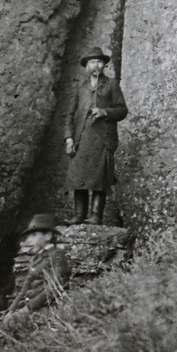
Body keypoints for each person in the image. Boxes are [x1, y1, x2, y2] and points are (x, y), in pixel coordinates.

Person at [65, 46, 128, 223]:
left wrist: (105, 112)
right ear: (87, 66)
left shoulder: (111, 85)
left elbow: (122, 110)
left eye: (99, 61)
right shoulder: (80, 88)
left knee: (100, 176)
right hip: (82, 138)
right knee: (79, 175)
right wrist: (69, 137)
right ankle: (79, 215)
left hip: (103, 138)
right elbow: (70, 114)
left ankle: (95, 215)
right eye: (92, 62)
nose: (96, 65)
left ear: (104, 65)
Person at [5, 214, 71, 315]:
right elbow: (25, 288)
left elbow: (55, 287)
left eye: (34, 235)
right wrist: (11, 310)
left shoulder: (57, 255)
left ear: (48, 236)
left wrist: (27, 309)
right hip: (31, 309)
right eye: (29, 236)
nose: (29, 240)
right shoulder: (36, 258)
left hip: (48, 309)